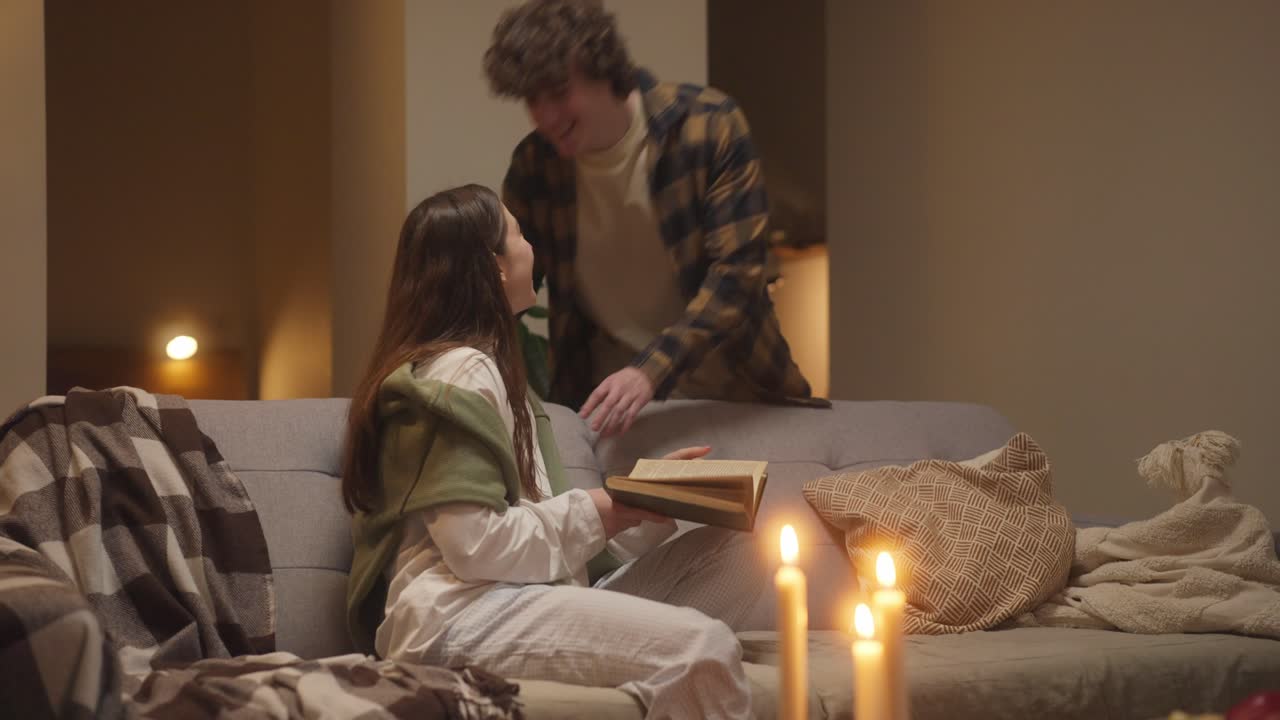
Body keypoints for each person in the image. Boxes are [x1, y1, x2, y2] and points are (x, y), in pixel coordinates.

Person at [343, 185, 764, 719]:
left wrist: (640, 498)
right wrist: (600, 510)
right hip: (460, 614)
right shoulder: (459, 373)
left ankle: (633, 672)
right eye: (518, 234)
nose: (530, 247)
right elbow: (474, 547)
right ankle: (651, 666)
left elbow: (545, 531)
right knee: (702, 646)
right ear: (494, 267)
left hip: (523, 591)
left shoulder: (501, 378)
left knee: (744, 553)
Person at [485, 0, 830, 438]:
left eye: (558, 91)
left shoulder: (708, 125)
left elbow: (738, 276)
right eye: (533, 98)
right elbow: (504, 284)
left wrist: (649, 372)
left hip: (739, 396)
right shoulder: (534, 167)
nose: (546, 116)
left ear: (601, 66)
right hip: (610, 411)